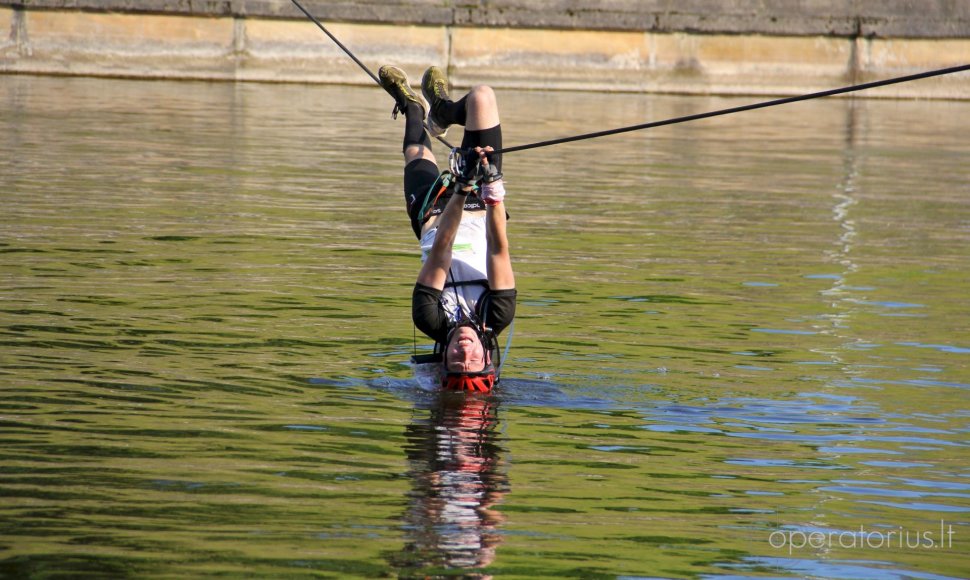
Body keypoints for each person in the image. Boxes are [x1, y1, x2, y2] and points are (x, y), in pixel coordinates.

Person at [378, 64, 516, 393]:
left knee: (417, 151)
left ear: (443, 360)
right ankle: (442, 110)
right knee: (483, 97)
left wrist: (462, 187)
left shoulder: (429, 319)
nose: (464, 350)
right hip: (483, 206)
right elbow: (498, 248)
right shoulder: (498, 313)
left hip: (434, 215)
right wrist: (491, 188)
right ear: (487, 356)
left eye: (456, 359)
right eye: (472, 358)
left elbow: (441, 252)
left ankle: (414, 107)